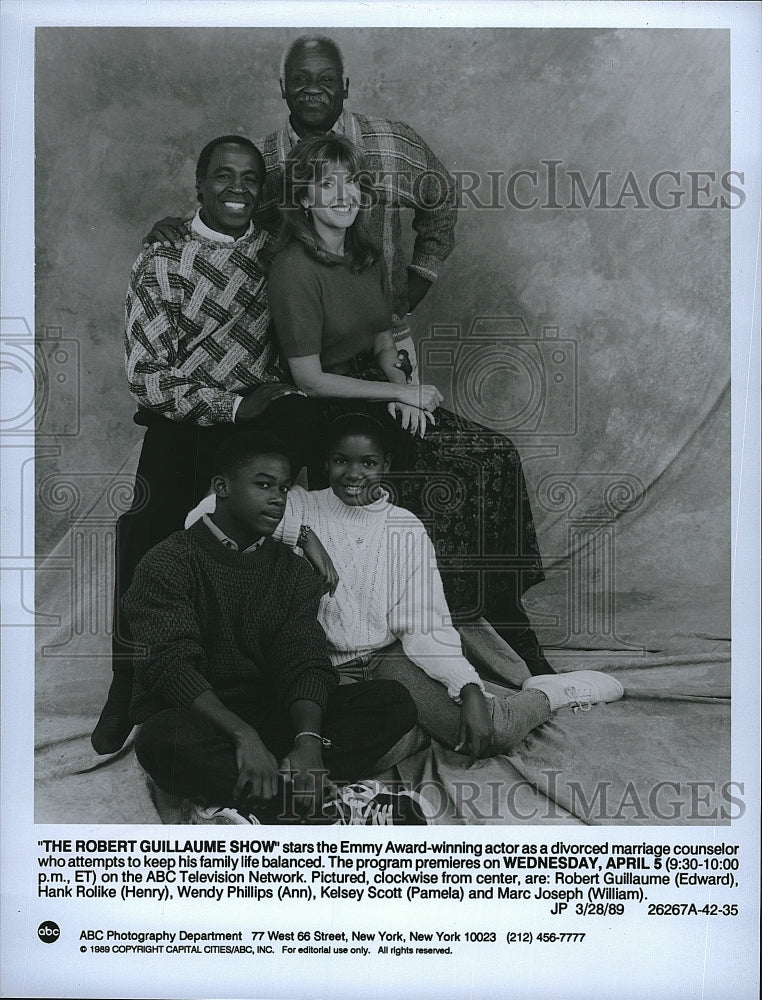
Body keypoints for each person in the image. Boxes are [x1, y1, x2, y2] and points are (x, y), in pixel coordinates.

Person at [264, 133, 558, 678]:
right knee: (443, 475)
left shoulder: (366, 251)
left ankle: (503, 607)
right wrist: (397, 392)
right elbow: (308, 377)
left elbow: (382, 338)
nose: (344, 195)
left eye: (351, 182)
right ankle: (462, 627)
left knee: (494, 453)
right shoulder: (292, 267)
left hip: (380, 387)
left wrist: (406, 386)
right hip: (330, 405)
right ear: (303, 198)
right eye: (327, 184)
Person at [187, 413, 624, 761]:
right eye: (341, 460)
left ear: (387, 466)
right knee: (364, 755)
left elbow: (424, 623)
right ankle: (423, 726)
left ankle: (549, 693)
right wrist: (302, 535)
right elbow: (203, 514)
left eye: (368, 463)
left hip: (388, 658)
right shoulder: (298, 504)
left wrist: (467, 688)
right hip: (318, 670)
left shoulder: (405, 528)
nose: (353, 474)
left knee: (496, 733)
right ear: (325, 463)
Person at [92, 134, 322, 755]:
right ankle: (129, 680)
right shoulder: (163, 256)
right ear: (199, 184)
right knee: (146, 529)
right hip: (185, 417)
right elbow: (146, 375)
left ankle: (255, 675)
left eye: (250, 177)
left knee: (292, 444)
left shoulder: (278, 252)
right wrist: (226, 403)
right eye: (224, 176)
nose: (238, 188)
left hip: (255, 423)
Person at [126, 431, 429, 825]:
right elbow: (170, 668)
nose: (278, 499)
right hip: (202, 718)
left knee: (393, 702)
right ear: (222, 488)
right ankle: (329, 806)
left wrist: (308, 743)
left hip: (271, 716)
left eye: (284, 488)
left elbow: (303, 661)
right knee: (160, 741)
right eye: (263, 485)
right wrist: (243, 737)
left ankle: (268, 791)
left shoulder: (291, 569)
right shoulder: (169, 561)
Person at [142, 33, 457, 371]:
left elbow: (443, 199)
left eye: (326, 79)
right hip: (289, 350)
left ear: (345, 86)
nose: (313, 89)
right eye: (300, 79)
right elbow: (224, 220)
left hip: (386, 338)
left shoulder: (391, 141)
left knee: (401, 417)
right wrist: (179, 231)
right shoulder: (260, 160)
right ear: (283, 87)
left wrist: (417, 281)